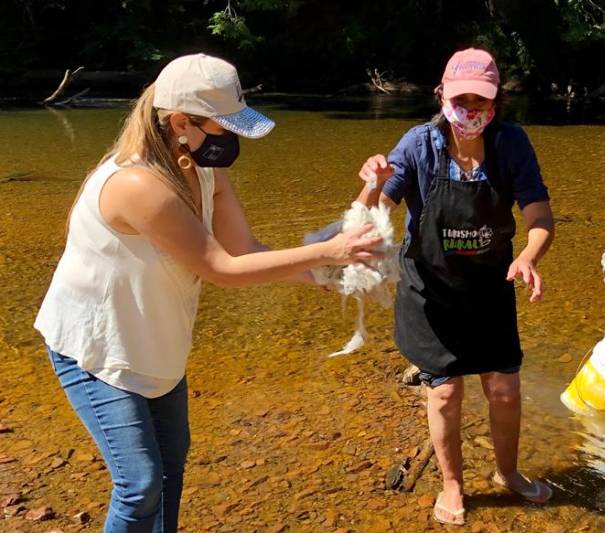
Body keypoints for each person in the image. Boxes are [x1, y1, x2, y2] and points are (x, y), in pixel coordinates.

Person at [34, 53, 380, 532]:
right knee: (140, 485)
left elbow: (246, 248)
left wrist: (324, 275)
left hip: (154, 343)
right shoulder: (137, 183)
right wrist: (327, 253)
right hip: (97, 350)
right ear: (181, 122)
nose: (233, 140)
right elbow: (221, 268)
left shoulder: (204, 167)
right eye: (224, 127)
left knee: (172, 472)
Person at [355, 48, 555, 525]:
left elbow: (539, 215)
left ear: (496, 102)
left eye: (480, 100)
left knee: (504, 389)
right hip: (428, 287)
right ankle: (452, 483)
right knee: (444, 393)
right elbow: (373, 216)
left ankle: (508, 472)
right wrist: (370, 185)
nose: (470, 110)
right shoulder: (418, 144)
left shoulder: (511, 144)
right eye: (460, 98)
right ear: (441, 95)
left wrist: (529, 255)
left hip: (491, 282)